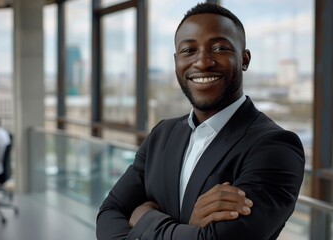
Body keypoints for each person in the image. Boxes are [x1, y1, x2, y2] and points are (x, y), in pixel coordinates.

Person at [96, 3, 305, 239]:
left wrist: (146, 217)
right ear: (176, 61)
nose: (203, 62)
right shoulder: (162, 134)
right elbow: (109, 213)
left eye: (219, 48)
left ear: (244, 59)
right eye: (188, 51)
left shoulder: (275, 147)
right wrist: (189, 228)